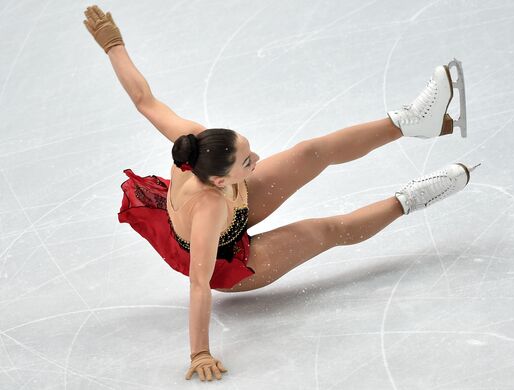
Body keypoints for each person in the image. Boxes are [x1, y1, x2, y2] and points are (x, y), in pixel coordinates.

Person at [83, 5, 481, 382]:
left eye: (247, 148)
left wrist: (111, 42)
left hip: (229, 210)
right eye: (246, 161)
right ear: (221, 181)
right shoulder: (207, 209)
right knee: (325, 230)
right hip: (226, 263)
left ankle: (413, 121)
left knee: (310, 152)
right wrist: (199, 353)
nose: (256, 157)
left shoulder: (196, 142)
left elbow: (144, 100)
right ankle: (411, 199)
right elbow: (199, 284)